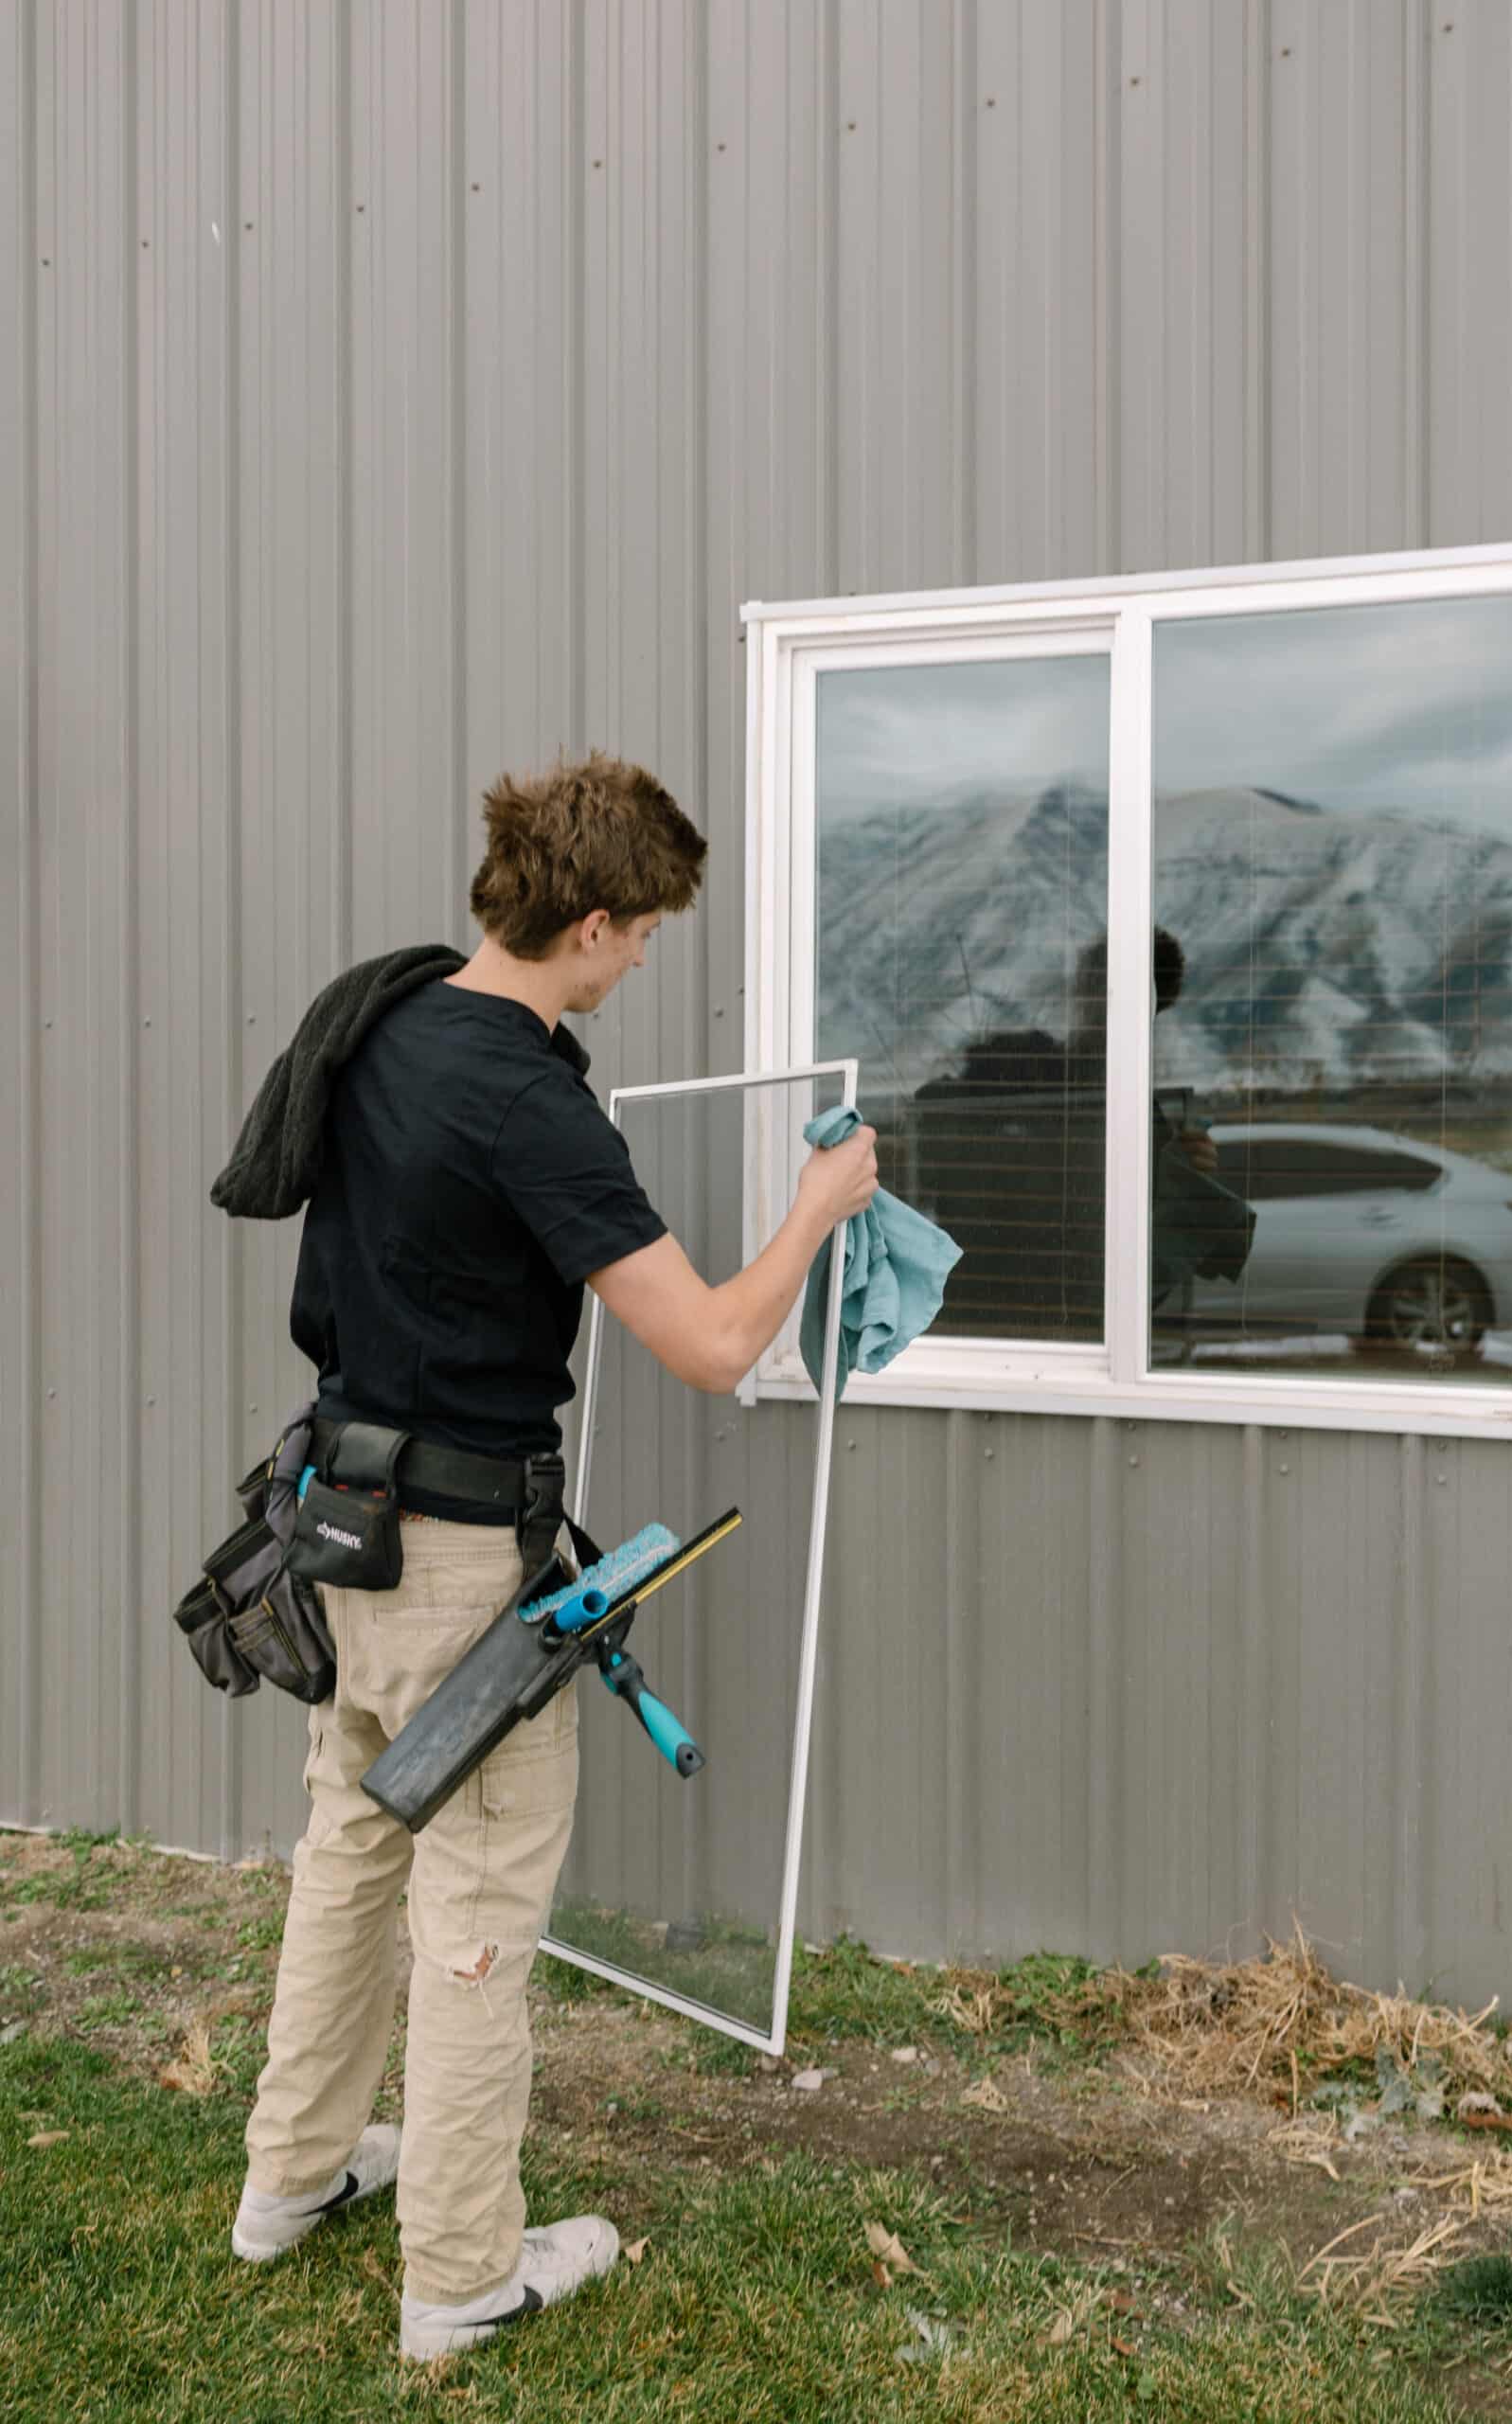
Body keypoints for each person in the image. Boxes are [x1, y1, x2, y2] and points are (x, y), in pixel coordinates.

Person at [223, 752, 877, 2362]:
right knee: (471, 1924)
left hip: (337, 1532)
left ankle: (287, 2186)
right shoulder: (529, 1100)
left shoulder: (378, 1018)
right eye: (644, 934)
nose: (646, 959)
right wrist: (815, 1208)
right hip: (452, 1574)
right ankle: (459, 2276)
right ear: (590, 921)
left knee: (347, 1867)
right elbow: (717, 1345)